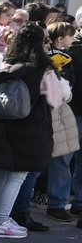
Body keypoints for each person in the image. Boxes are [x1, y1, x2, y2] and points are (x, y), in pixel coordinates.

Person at [0, 24, 54, 239]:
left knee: (2, 173)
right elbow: (58, 96)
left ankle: (0, 219)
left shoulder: (6, 64)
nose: (49, 43)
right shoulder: (41, 66)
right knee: (17, 176)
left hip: (1, 122)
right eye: (46, 40)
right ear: (36, 43)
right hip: (29, 126)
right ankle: (1, 221)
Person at [41, 20, 78, 225]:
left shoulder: (68, 58)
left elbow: (71, 81)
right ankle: (23, 204)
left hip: (63, 109)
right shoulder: (46, 56)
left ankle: (56, 203)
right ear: (60, 38)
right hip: (45, 112)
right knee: (54, 158)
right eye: (70, 35)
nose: (73, 38)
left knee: (62, 158)